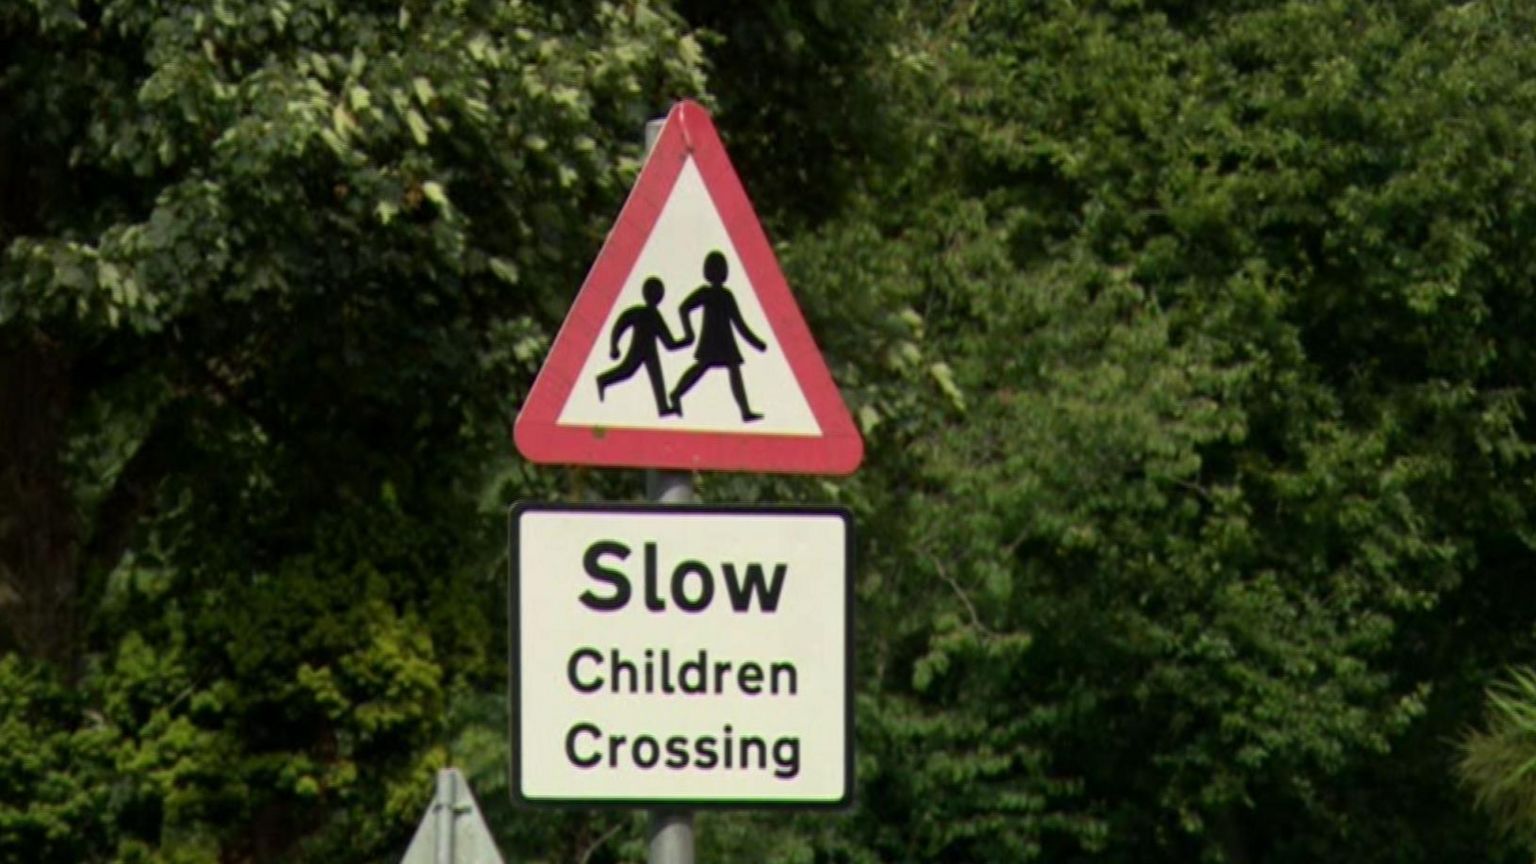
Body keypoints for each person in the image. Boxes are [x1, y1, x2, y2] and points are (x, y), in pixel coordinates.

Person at [669, 251, 767, 421]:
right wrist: (689, 332)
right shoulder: (707, 293)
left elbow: (739, 323)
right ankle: (676, 393)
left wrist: (756, 343)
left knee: (732, 370)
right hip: (712, 339)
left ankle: (745, 411)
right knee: (702, 368)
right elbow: (684, 308)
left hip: (725, 341)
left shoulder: (726, 295)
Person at [596, 277, 689, 416]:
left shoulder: (652, 314)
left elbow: (669, 343)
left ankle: (663, 407)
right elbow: (622, 323)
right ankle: (603, 380)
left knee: (656, 377)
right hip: (639, 349)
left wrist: (686, 341)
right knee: (628, 370)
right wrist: (614, 346)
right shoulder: (641, 312)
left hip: (650, 352)